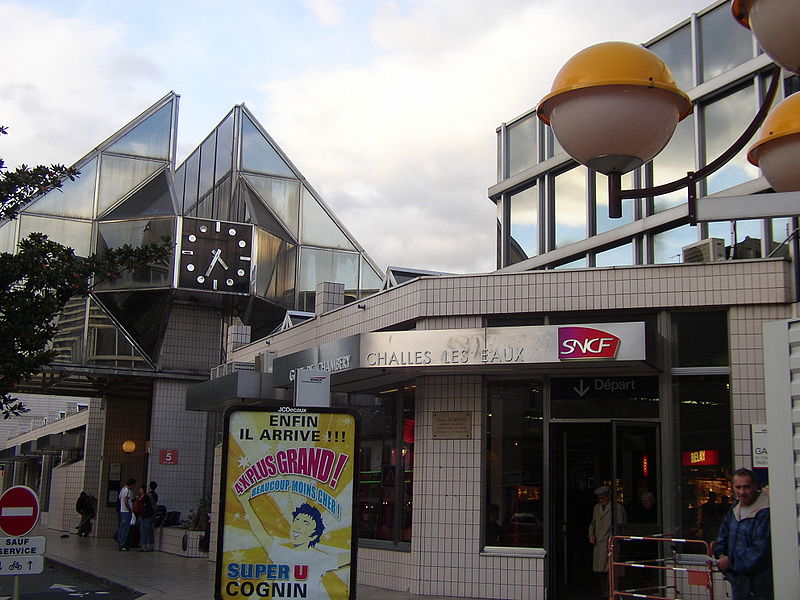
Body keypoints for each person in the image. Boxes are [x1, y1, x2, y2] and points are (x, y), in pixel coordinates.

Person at [714, 468, 773, 600]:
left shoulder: (765, 512)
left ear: (755, 486)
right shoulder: (734, 509)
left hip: (759, 583)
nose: (742, 492)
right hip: (738, 580)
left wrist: (730, 561)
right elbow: (722, 536)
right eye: (738, 487)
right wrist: (721, 554)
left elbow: (761, 551)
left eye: (746, 487)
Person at [588, 485, 626, 599]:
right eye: (599, 497)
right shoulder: (596, 508)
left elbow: (620, 526)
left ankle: (610, 593)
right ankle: (604, 592)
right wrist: (590, 533)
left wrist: (616, 539)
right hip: (598, 542)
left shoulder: (617, 508)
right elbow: (593, 523)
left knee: (610, 569)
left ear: (608, 496)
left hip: (610, 542)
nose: (601, 499)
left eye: (603, 497)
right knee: (599, 570)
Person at [116, 478, 136, 551]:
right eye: (133, 485)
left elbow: (120, 498)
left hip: (122, 511)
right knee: (125, 529)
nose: (134, 486)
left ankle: (120, 543)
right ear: (131, 484)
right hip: (126, 512)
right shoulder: (127, 491)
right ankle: (123, 544)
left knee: (122, 528)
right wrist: (130, 510)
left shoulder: (123, 489)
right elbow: (126, 502)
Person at [138, 481, 158, 552]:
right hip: (152, 514)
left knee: (144, 531)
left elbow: (142, 502)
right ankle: (151, 546)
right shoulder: (156, 495)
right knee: (151, 531)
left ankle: (144, 546)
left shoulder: (147, 495)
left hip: (146, 515)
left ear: (149, 486)